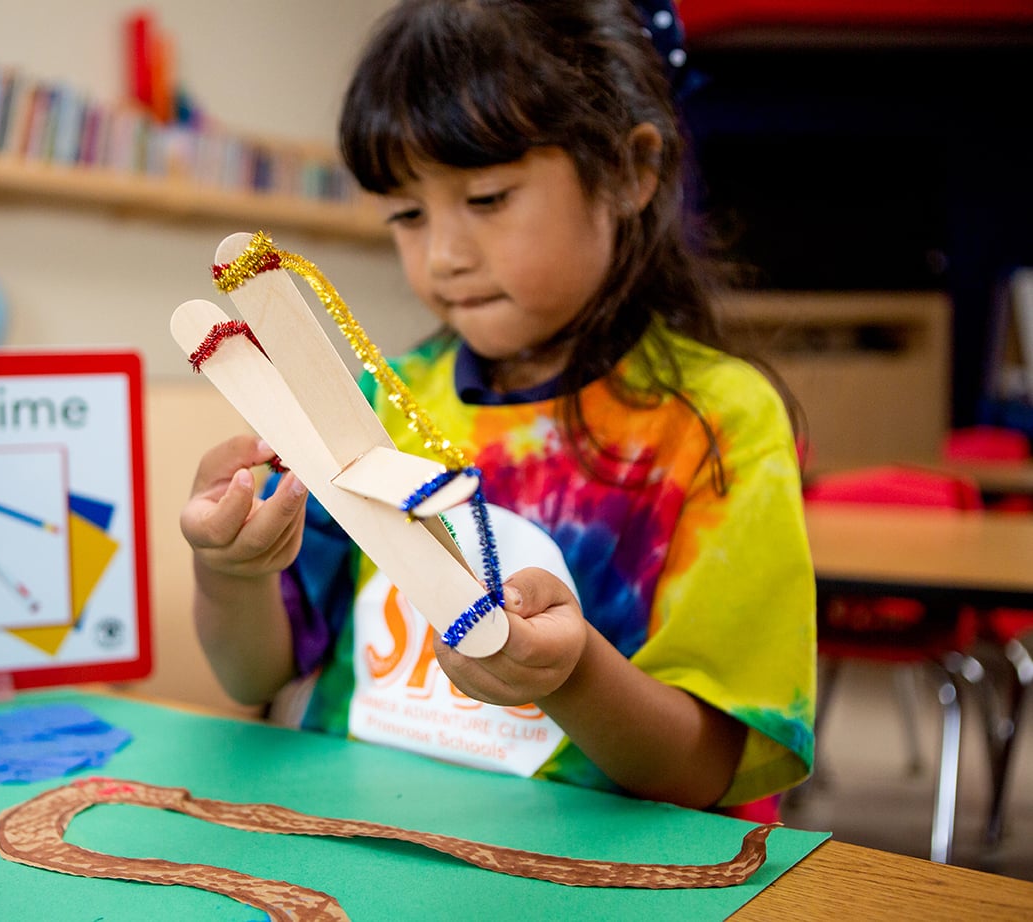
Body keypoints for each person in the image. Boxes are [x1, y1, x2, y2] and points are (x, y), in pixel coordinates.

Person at [181, 0, 814, 813]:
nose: (444, 254)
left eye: (487, 198)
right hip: (357, 841)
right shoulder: (380, 400)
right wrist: (229, 570)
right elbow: (255, 675)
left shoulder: (720, 422)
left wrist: (572, 671)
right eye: (408, 215)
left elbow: (706, 772)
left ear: (628, 172)